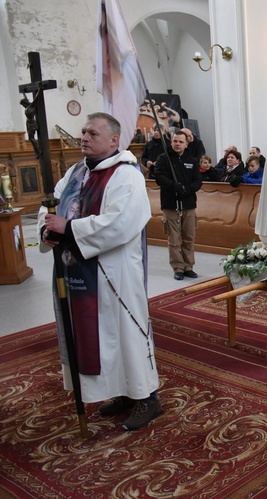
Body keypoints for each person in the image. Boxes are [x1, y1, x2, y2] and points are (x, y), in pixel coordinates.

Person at [38, 112, 161, 431]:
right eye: (83, 132)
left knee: (126, 331)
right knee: (97, 335)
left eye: (93, 133)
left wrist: (70, 228)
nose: (85, 137)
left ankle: (147, 397)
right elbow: (50, 206)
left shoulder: (126, 174)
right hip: (78, 271)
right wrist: (47, 229)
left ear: (113, 140)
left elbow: (123, 221)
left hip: (114, 274)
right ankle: (121, 391)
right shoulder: (75, 173)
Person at [153, 129, 203, 280]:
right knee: (174, 239)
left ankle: (188, 266)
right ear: (171, 142)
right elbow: (159, 177)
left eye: (181, 142)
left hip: (188, 204)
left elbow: (198, 181)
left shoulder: (192, 160)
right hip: (170, 204)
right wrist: (174, 186)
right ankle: (178, 267)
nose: (177, 144)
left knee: (189, 237)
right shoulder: (163, 158)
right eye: (175, 141)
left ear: (186, 144)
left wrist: (188, 189)